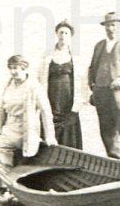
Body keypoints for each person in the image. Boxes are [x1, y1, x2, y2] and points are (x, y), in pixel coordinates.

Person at [0, 55, 54, 203]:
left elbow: (46, 112)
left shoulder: (34, 87)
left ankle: (8, 188)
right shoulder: (9, 85)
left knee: (7, 153)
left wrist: (50, 136)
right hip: (9, 128)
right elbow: (2, 109)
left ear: (24, 68)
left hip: (26, 131)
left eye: (16, 68)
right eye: (10, 68)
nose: (13, 72)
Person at [87, 12, 120, 161]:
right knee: (107, 132)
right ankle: (115, 162)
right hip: (102, 95)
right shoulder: (99, 46)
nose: (110, 29)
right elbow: (92, 68)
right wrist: (93, 86)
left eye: (113, 25)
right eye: (107, 25)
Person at [36, 21, 85, 149]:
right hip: (51, 99)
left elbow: (81, 83)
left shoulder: (75, 58)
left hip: (68, 100)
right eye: (61, 32)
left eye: (66, 33)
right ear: (57, 35)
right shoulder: (47, 57)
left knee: (69, 128)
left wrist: (77, 105)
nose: (63, 35)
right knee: (48, 122)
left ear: (70, 36)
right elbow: (39, 78)